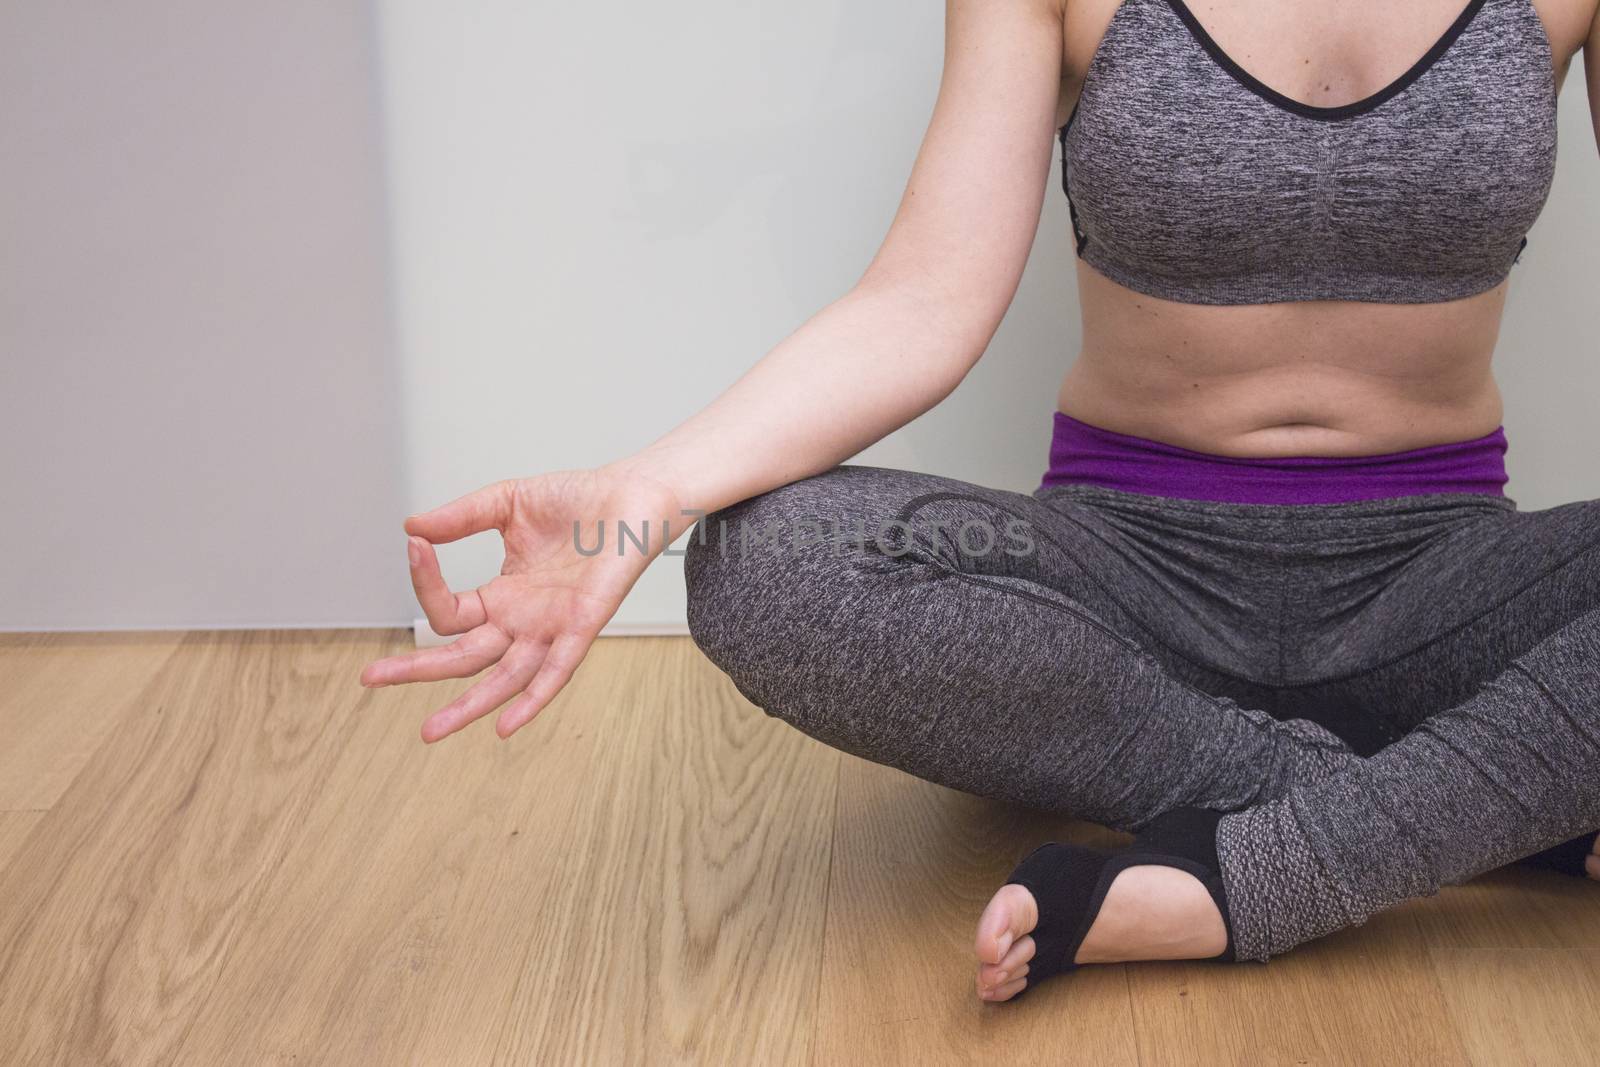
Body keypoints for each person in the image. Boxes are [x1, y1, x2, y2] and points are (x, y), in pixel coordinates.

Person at [360, 0, 1600, 1003]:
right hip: (1128, 576)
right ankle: (1482, 807)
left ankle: (1250, 873)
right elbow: (923, 300)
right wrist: (640, 498)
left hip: (1436, 585)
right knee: (765, 560)